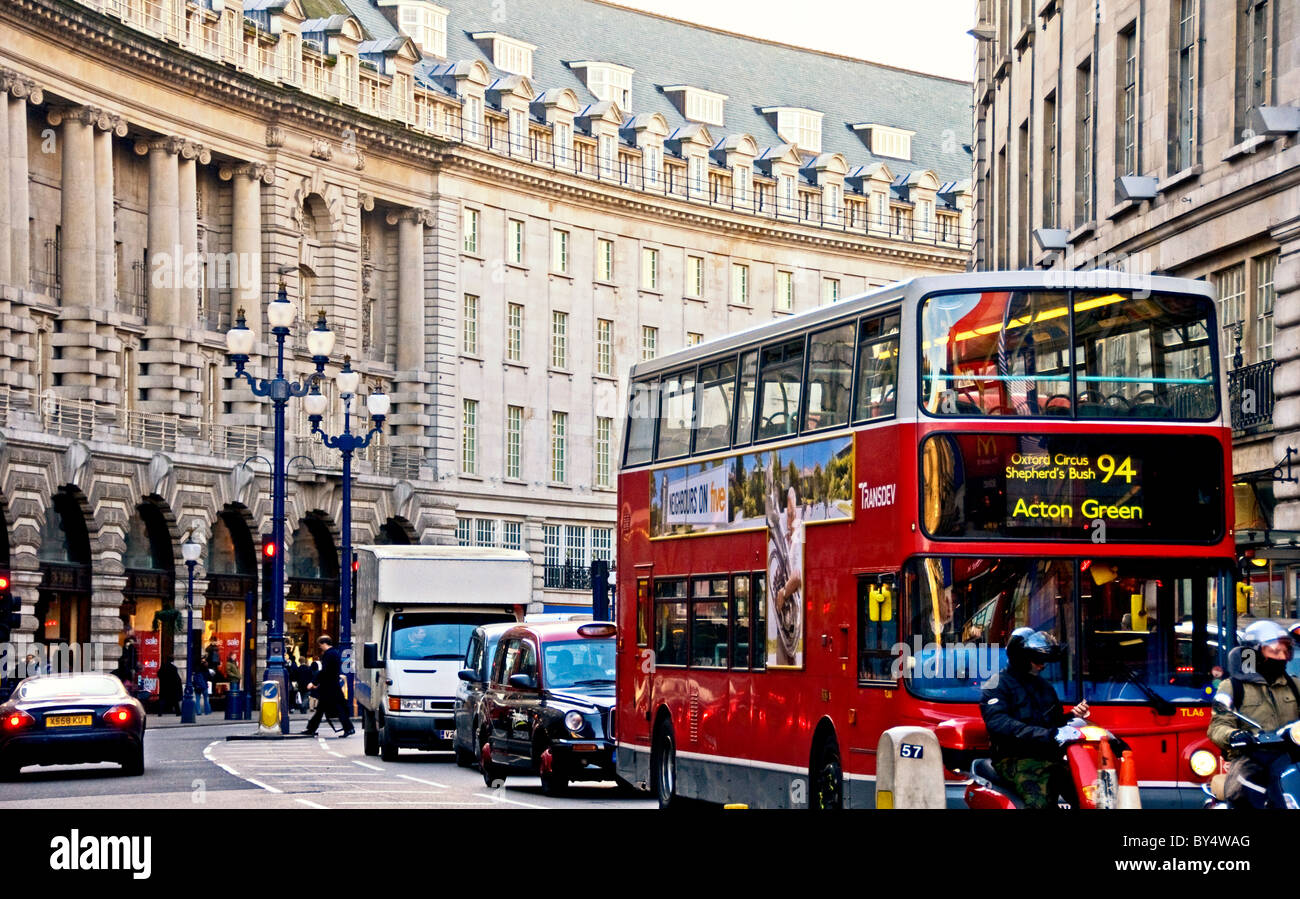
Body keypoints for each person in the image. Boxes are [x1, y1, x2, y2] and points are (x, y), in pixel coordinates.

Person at [979, 627, 1090, 809]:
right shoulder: (996, 684)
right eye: (1037, 660)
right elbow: (1000, 723)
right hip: (1014, 759)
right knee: (1039, 802)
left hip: (1047, 758)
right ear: (1021, 658)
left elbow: (1054, 723)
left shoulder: (1045, 687)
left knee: (1087, 790)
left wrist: (1072, 716)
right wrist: (1050, 735)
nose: (1042, 665)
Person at [1208, 620, 1300, 809]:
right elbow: (1217, 725)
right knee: (1247, 790)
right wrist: (1233, 735)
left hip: (1291, 756)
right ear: (1254, 654)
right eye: (1275, 651)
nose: (1282, 656)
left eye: (1286, 650)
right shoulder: (1231, 686)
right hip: (1251, 757)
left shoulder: (1296, 686)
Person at [304, 636, 353, 738]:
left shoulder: (329, 654)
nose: (320, 647)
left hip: (330, 687)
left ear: (324, 643)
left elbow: (325, 671)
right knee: (323, 709)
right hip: (332, 685)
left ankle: (348, 728)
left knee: (335, 709)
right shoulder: (334, 653)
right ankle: (311, 728)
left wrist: (314, 682)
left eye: (320, 645)